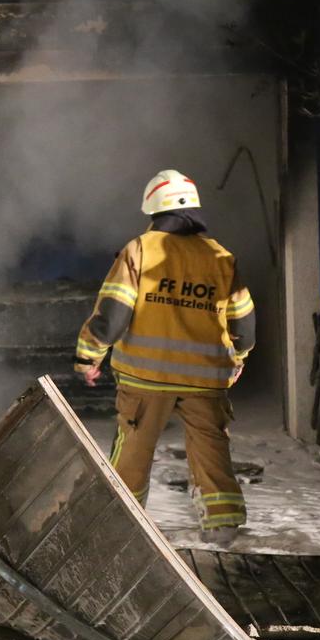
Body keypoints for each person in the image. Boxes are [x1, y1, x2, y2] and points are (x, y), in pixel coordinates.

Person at [74, 169, 256, 547]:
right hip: (206, 382)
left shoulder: (140, 249)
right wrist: (238, 356)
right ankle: (222, 526)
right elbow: (244, 321)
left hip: (145, 377)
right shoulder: (220, 257)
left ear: (153, 208)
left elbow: (113, 314)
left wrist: (88, 356)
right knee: (211, 449)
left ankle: (123, 524)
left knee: (133, 451)